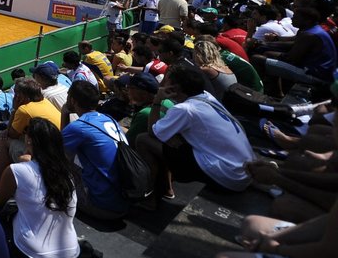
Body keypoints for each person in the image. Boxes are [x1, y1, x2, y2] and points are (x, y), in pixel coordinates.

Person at [137, 65, 254, 198]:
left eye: (166, 81)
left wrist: (157, 101)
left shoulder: (185, 109)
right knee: (170, 138)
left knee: (144, 140)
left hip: (229, 176)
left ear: (174, 89)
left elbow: (153, 132)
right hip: (243, 171)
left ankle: (152, 195)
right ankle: (166, 188)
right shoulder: (206, 96)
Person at [0, 118, 80, 258]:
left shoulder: (17, 170)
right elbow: (38, 193)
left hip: (35, 253)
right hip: (71, 251)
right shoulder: (66, 171)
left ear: (29, 141)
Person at [60, 81, 129, 220]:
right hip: (126, 199)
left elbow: (56, 153)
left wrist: (64, 114)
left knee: (57, 169)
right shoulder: (109, 118)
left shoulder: (78, 127)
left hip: (103, 206)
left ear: (72, 100)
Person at [0, 77, 62, 186]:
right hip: (56, 154)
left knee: (3, 139)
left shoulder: (24, 110)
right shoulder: (44, 101)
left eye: (16, 93)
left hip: (42, 157)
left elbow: (11, 134)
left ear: (21, 96)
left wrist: (14, 109)